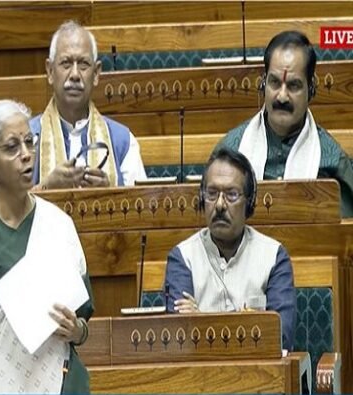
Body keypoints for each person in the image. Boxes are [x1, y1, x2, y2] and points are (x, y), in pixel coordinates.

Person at [0, 87, 94, 394]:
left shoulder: (58, 224)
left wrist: (77, 331)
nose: (26, 154)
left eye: (29, 142)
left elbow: (83, 321)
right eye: (12, 147)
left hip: (59, 381)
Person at [164, 147, 296, 351]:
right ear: (201, 199)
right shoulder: (183, 257)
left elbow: (280, 335)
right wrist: (247, 324)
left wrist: (201, 321)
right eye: (211, 194)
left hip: (259, 370)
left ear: (249, 203)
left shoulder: (273, 256)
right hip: (200, 370)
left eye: (231, 195)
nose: (219, 205)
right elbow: (180, 338)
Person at [216, 30, 353, 217]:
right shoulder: (230, 152)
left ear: (311, 88)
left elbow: (345, 232)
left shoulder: (332, 161)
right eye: (274, 82)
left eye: (293, 85)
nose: (281, 96)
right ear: (263, 84)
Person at [30, 21, 146, 189]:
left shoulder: (123, 142)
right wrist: (47, 188)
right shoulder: (27, 141)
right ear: (50, 71)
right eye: (66, 63)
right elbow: (10, 204)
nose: (75, 74)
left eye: (83, 64)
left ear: (96, 73)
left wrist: (109, 193)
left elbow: (140, 203)